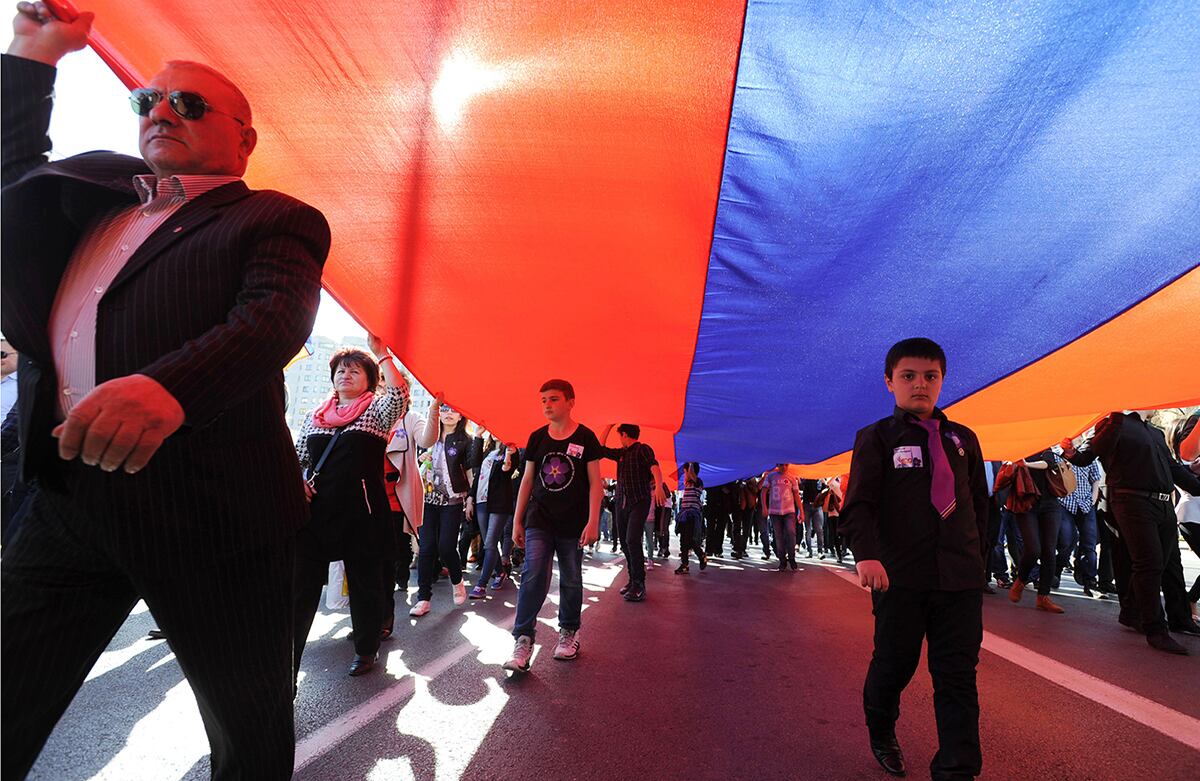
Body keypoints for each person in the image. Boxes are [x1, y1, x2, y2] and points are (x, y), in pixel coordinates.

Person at [0, 6, 331, 778]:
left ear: (244, 140)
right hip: (67, 498)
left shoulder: (272, 218)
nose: (160, 112)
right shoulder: (94, 201)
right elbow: (14, 175)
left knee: (247, 734)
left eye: (188, 103)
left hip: (210, 514)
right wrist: (33, 53)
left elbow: (273, 317)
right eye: (147, 99)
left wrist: (168, 387)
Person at [840, 338, 989, 780]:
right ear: (890, 382)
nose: (920, 384)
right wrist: (867, 556)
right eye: (908, 376)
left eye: (930, 376)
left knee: (957, 676)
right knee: (894, 665)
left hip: (960, 580)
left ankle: (957, 769)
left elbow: (979, 507)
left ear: (942, 380)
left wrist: (978, 561)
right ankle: (881, 729)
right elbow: (859, 505)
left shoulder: (963, 439)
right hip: (899, 578)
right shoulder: (876, 438)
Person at [292, 338, 408, 678]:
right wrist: (298, 482)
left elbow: (399, 395)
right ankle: (288, 656)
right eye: (341, 370)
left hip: (363, 513)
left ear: (370, 380)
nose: (346, 374)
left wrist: (382, 354)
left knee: (365, 584)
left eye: (355, 371)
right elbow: (297, 458)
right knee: (301, 587)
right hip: (317, 514)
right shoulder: (315, 416)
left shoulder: (376, 412)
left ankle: (366, 648)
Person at [1062, 410, 1200, 654]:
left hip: (1163, 504)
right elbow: (1086, 455)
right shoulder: (1114, 422)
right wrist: (1071, 453)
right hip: (1132, 501)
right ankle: (1155, 629)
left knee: (1171, 564)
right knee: (1150, 563)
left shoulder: (1156, 433)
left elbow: (1173, 470)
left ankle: (1175, 618)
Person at [503, 379, 602, 672]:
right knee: (533, 572)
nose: (547, 404)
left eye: (554, 399)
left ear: (571, 402)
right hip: (539, 518)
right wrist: (517, 520)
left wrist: (593, 520)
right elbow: (527, 480)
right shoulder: (536, 438)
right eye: (543, 400)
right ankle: (523, 639)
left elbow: (596, 484)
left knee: (570, 577)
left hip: (574, 522)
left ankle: (569, 632)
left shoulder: (586, 437)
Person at [410, 398, 474, 616]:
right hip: (427, 500)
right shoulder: (428, 436)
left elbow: (469, 473)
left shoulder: (466, 441)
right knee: (426, 548)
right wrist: (422, 458)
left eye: (454, 410)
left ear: (461, 415)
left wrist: (470, 499)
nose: (448, 413)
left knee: (446, 547)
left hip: (452, 501)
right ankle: (423, 598)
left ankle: (458, 582)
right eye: (444, 408)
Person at [599, 422, 666, 603]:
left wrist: (659, 486)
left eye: (619, 435)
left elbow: (654, 467)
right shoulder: (621, 453)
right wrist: (608, 427)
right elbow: (600, 449)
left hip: (639, 501)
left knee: (632, 540)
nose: (619, 439)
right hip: (621, 502)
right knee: (625, 542)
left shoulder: (643, 449)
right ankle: (632, 579)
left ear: (625, 435)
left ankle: (639, 584)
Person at [1006, 448, 1067, 614]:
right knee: (1033, 549)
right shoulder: (1016, 448)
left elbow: (1048, 463)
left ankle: (1043, 597)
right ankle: (1021, 580)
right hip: (1026, 503)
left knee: (1049, 551)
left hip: (1050, 504)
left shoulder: (1045, 446)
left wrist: (1026, 464)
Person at [471, 440, 522, 598]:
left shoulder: (512, 450)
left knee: (490, 543)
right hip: (481, 501)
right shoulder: (488, 450)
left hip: (499, 503)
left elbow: (507, 471)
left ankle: (481, 584)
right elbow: (475, 467)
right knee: (489, 544)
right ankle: (500, 572)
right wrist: (478, 436)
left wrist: (508, 455)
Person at [761, 464, 803, 571]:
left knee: (791, 532)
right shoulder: (771, 476)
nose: (783, 467)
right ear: (777, 465)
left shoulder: (792, 477)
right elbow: (763, 491)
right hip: (775, 511)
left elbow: (797, 495)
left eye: (785, 465)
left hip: (789, 510)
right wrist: (764, 507)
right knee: (778, 536)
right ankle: (782, 560)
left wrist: (801, 512)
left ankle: (792, 557)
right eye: (781, 465)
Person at [674, 462, 708, 574]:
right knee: (683, 540)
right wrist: (686, 467)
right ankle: (686, 564)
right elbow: (686, 473)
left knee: (689, 539)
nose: (686, 474)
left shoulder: (698, 482)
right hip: (684, 515)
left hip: (692, 515)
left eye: (688, 471)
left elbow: (691, 473)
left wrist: (690, 464)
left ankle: (700, 556)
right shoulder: (687, 483)